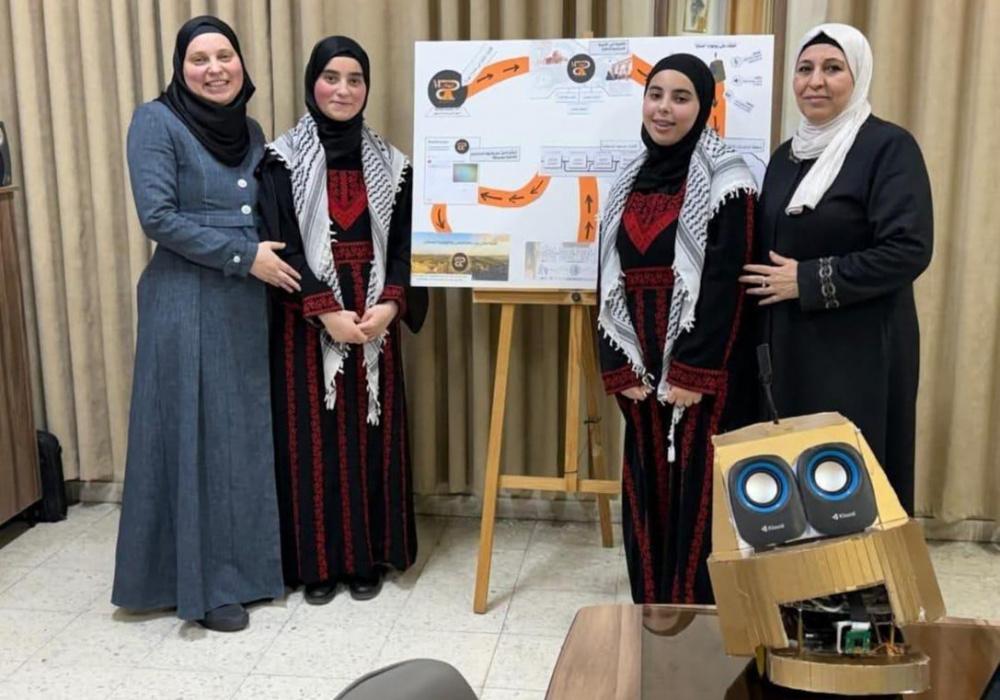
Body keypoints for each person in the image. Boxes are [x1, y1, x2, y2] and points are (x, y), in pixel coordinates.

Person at [113, 16, 293, 632]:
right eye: (199, 59)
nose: (215, 69)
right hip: (185, 301)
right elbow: (157, 217)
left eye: (225, 56)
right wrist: (245, 255)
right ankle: (205, 587)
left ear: (241, 63)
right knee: (196, 439)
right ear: (180, 68)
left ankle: (249, 571)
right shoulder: (155, 121)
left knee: (239, 438)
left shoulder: (251, 129)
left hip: (244, 303)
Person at [257, 36, 428, 605]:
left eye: (355, 80)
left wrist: (392, 305)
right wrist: (325, 312)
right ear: (313, 83)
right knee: (313, 442)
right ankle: (318, 564)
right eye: (331, 77)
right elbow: (279, 245)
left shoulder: (394, 165)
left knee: (371, 439)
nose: (343, 90)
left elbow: (406, 247)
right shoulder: (280, 161)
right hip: (306, 323)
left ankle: (367, 558)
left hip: (375, 320)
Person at [741, 24, 932, 514]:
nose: (815, 82)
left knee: (850, 482)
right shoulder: (785, 157)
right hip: (790, 351)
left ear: (858, 75)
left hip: (859, 352)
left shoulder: (887, 148)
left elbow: (908, 249)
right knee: (793, 484)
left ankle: (861, 566)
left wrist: (807, 280)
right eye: (805, 69)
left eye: (832, 68)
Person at [597, 54, 757, 604]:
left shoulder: (729, 179)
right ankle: (652, 605)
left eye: (681, 97)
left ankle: (697, 614)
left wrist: (693, 371)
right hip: (639, 359)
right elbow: (607, 278)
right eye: (655, 94)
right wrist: (617, 365)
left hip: (699, 364)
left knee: (697, 486)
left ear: (704, 106)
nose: (664, 108)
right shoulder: (627, 178)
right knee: (646, 479)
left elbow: (726, 283)